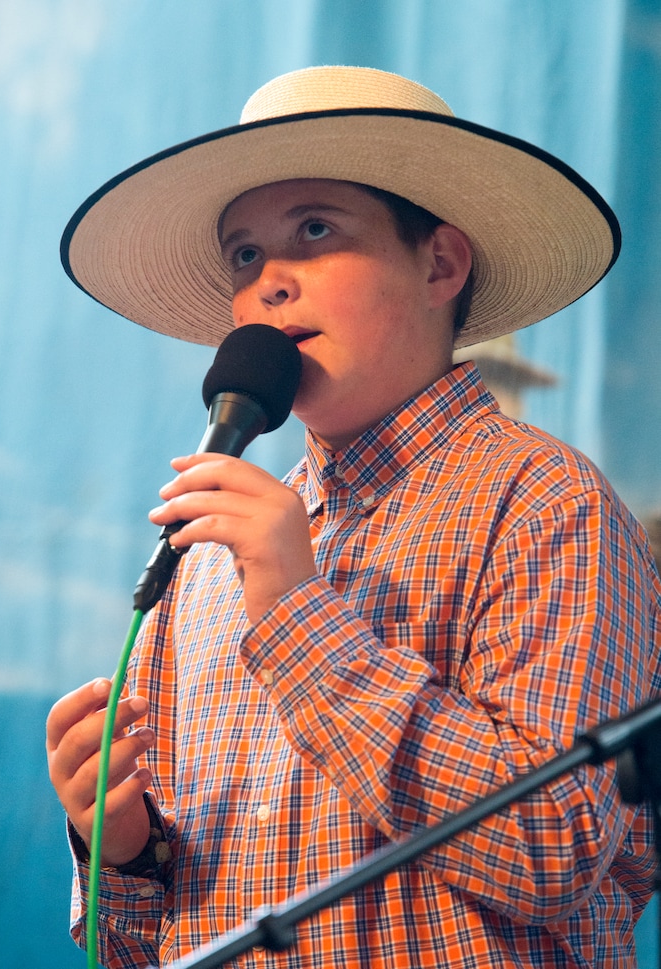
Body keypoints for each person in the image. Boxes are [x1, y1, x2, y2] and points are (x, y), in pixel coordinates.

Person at [47, 66, 661, 968]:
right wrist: (125, 848)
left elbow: (553, 848)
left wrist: (298, 616)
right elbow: (138, 947)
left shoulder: (545, 499)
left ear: (440, 264)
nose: (269, 284)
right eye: (245, 256)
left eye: (316, 230)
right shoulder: (208, 554)